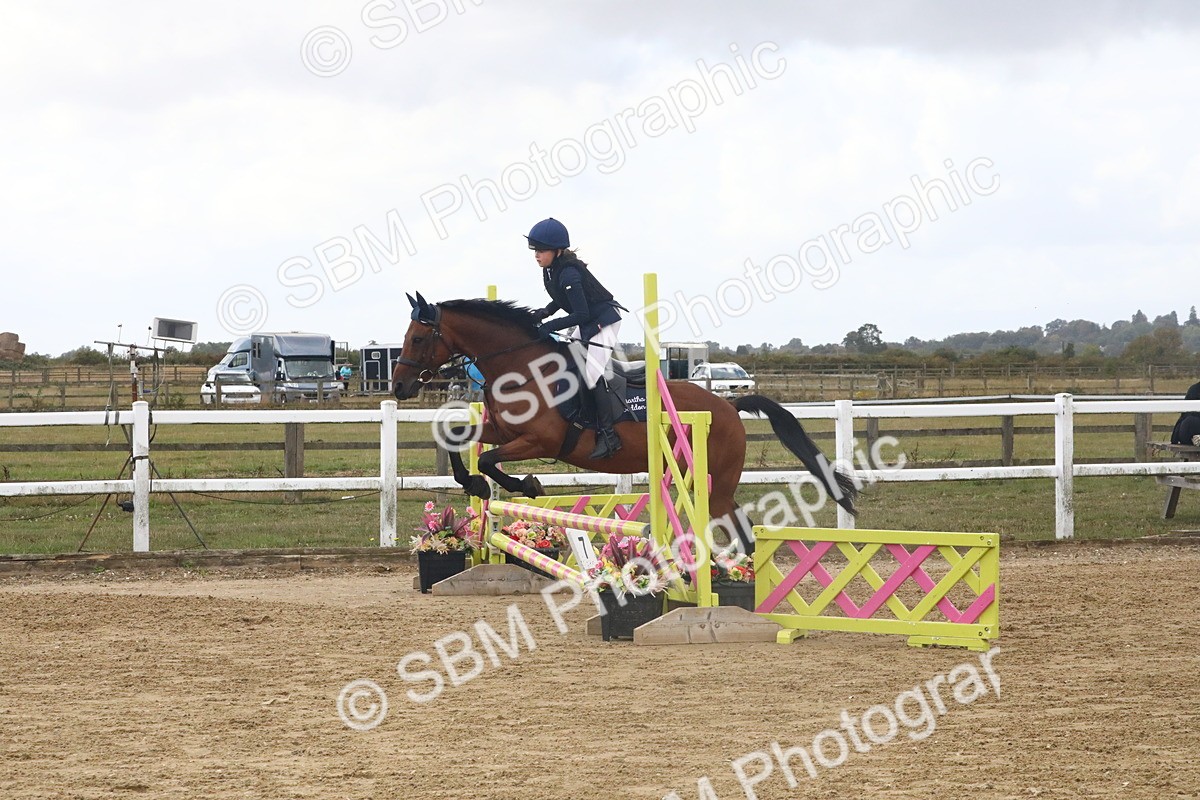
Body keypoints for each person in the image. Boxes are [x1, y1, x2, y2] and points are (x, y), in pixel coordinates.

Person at [526, 217, 627, 459]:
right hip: (589, 320)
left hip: (604, 321)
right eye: (535, 251)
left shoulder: (570, 272)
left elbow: (581, 313)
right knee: (571, 361)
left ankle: (609, 435)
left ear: (557, 250)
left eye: (541, 250)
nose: (537, 255)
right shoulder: (551, 270)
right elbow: (562, 299)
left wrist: (550, 324)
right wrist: (545, 312)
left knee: (591, 375)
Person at [1170, 381, 1200, 447]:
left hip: (1187, 428)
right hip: (1189, 429)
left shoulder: (1194, 389)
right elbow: (1186, 414)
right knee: (1190, 422)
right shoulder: (1194, 390)